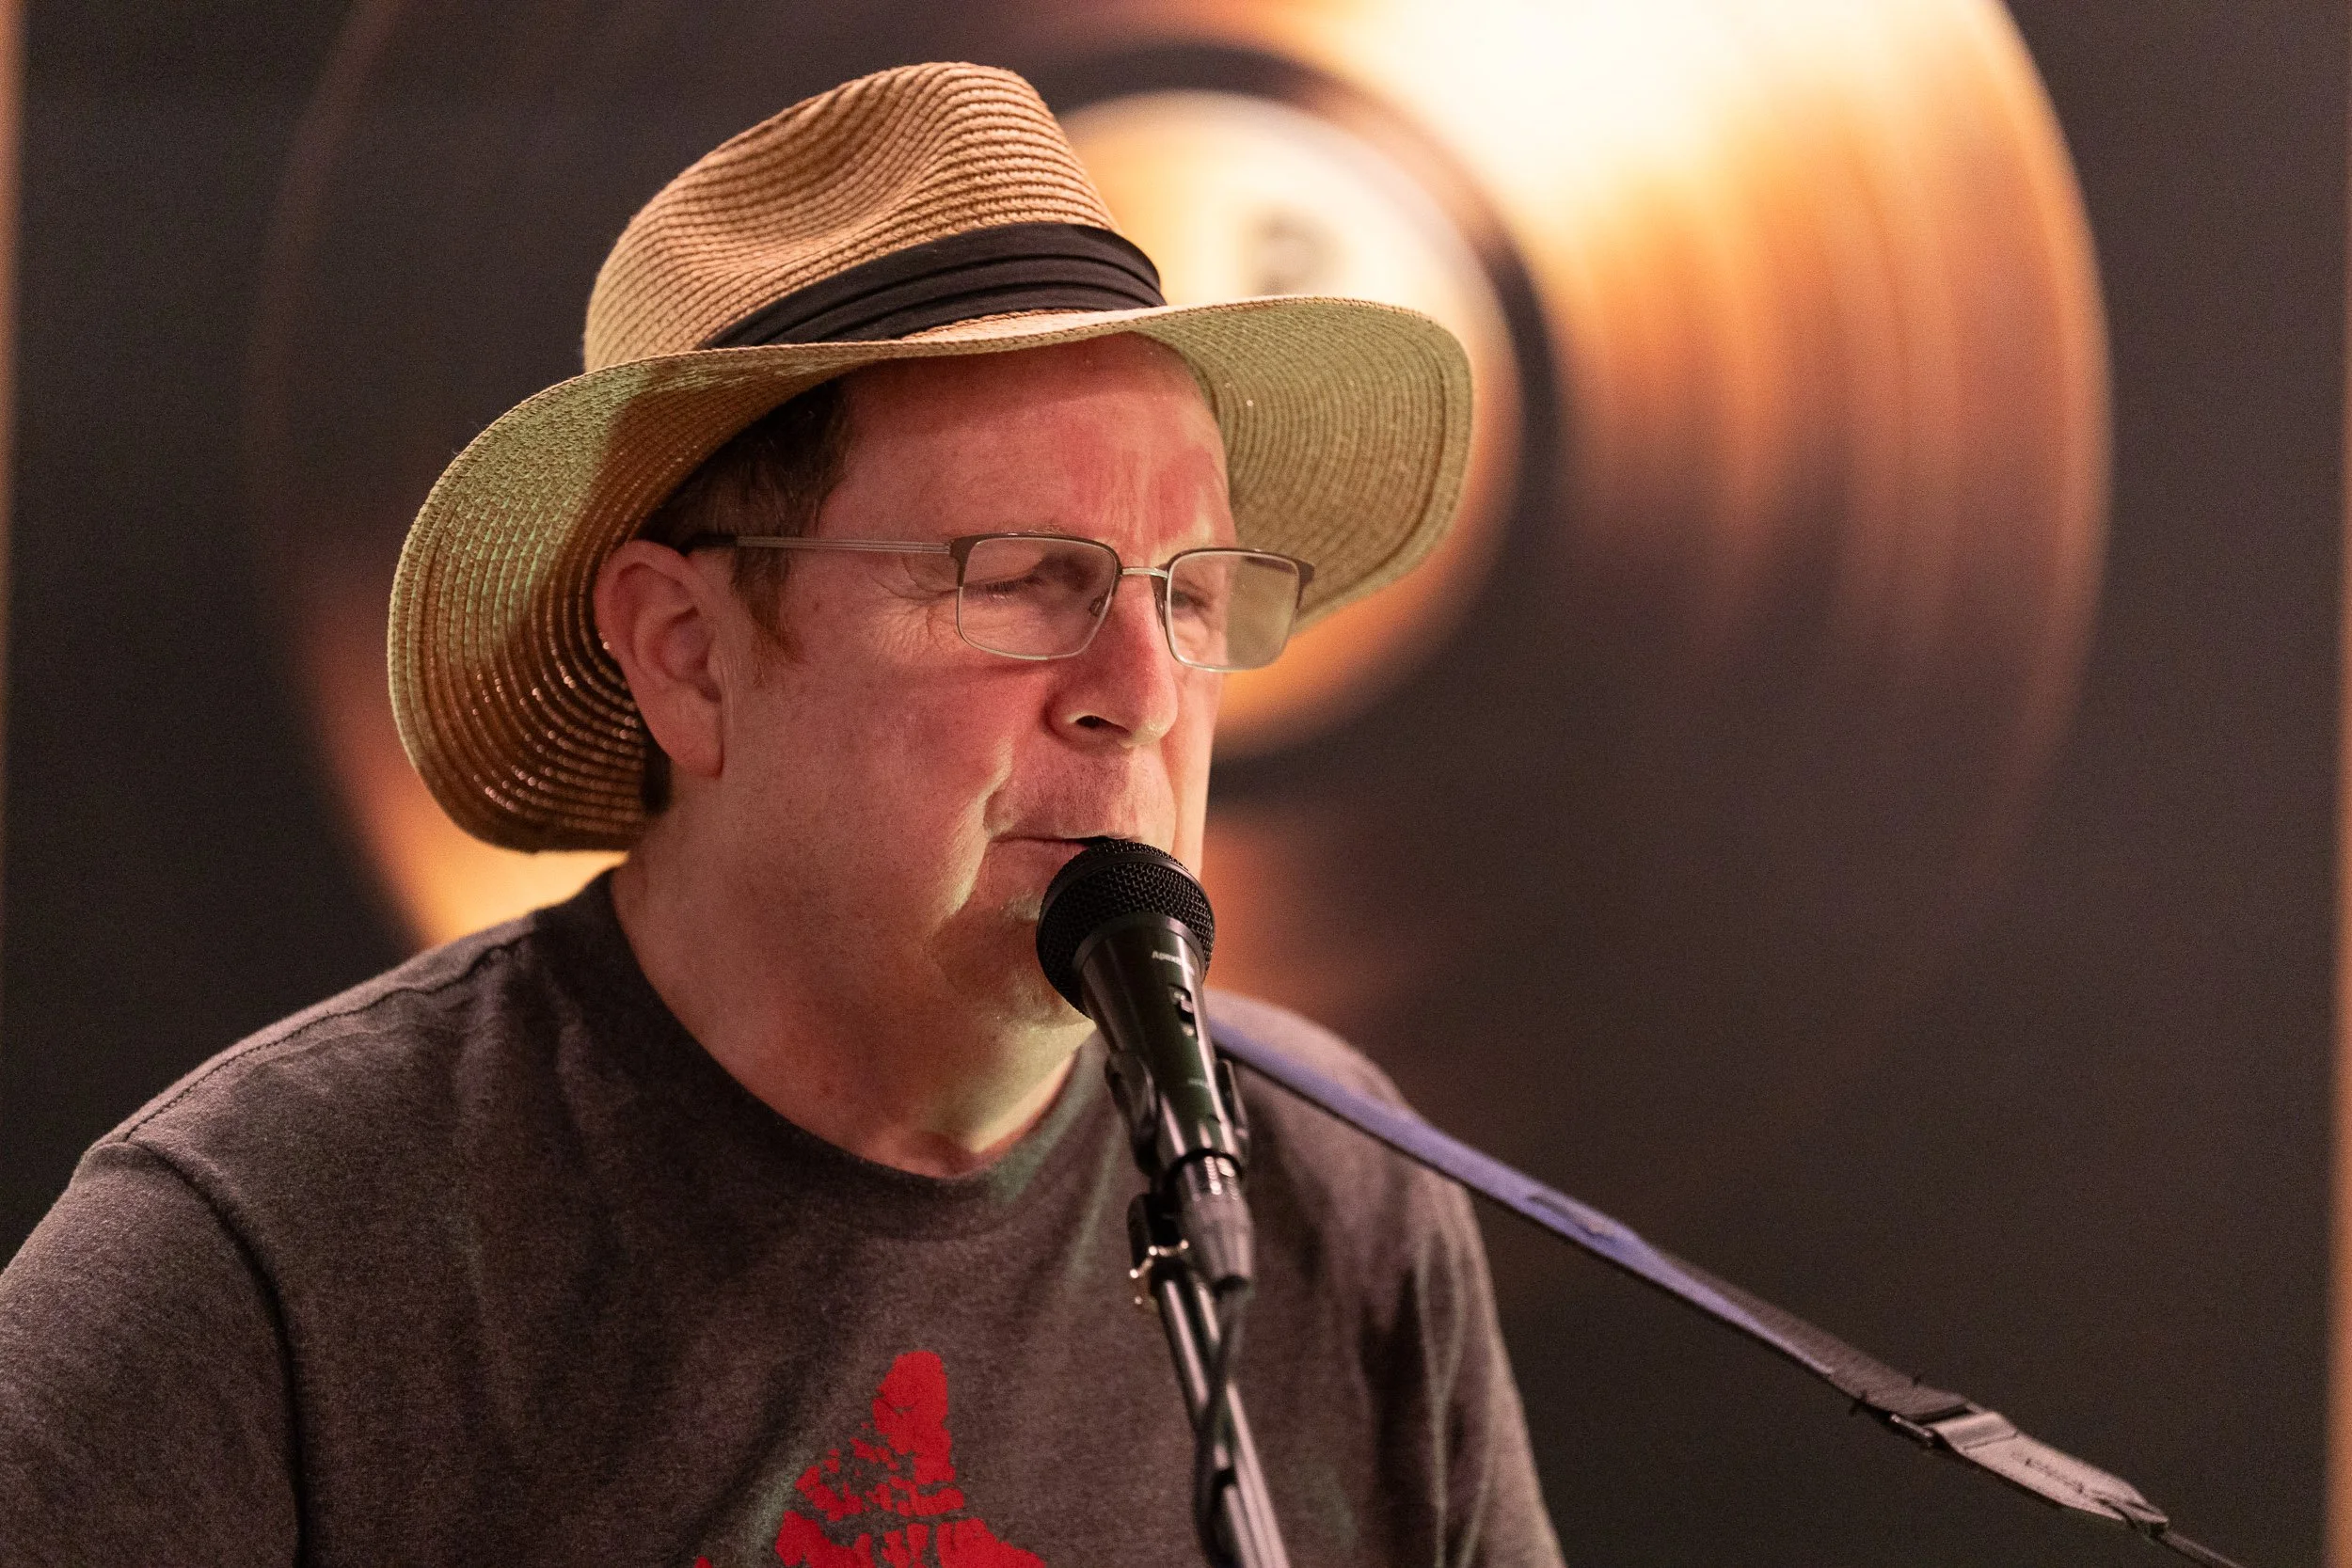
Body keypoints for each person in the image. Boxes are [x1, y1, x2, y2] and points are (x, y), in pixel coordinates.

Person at [0, 62, 1562, 1567]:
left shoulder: (1337, 1188)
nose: (1144, 690)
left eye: (1194, 594)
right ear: (687, 653)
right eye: (1029, 579)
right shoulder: (265, 1258)